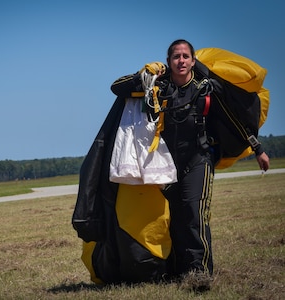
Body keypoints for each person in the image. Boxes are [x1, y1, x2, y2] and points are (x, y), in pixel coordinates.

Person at [110, 39, 270, 290]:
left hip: (200, 159)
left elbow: (233, 119)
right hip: (167, 165)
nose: (181, 61)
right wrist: (144, 73)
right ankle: (178, 270)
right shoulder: (157, 85)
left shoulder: (206, 88)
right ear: (169, 61)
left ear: (193, 61)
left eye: (186, 56)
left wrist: (257, 148)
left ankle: (200, 273)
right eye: (176, 56)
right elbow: (116, 87)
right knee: (175, 219)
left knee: (194, 215)